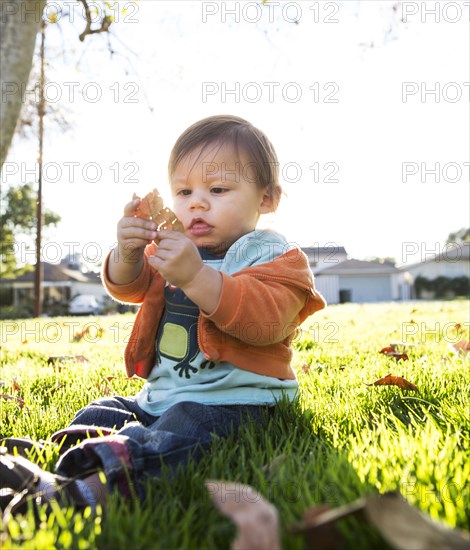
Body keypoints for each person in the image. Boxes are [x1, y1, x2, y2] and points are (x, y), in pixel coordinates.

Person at [0, 115, 326, 513]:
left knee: (182, 435)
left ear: (266, 199)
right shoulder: (174, 248)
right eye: (184, 191)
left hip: (239, 405)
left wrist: (195, 276)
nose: (197, 202)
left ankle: (78, 495)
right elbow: (130, 287)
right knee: (107, 409)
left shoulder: (276, 258)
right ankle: (58, 457)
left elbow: (265, 322)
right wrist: (128, 254)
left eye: (218, 189)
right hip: (163, 397)